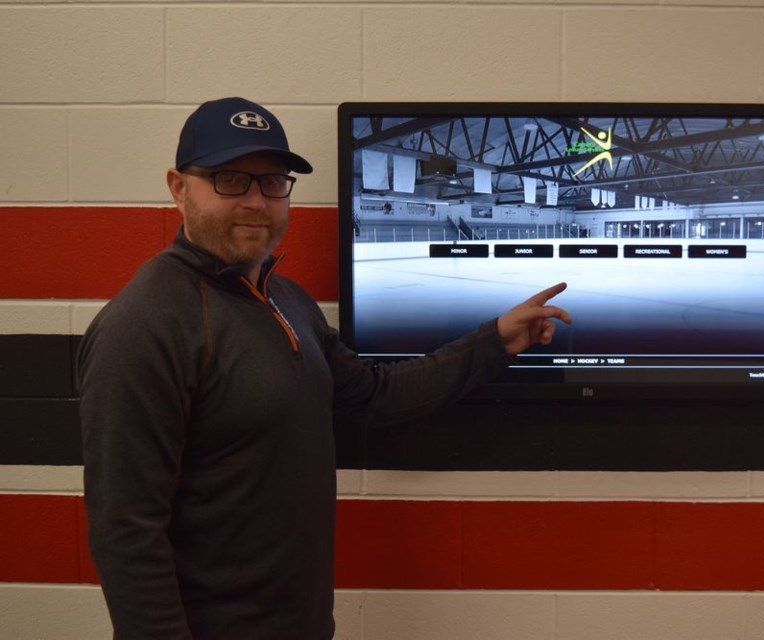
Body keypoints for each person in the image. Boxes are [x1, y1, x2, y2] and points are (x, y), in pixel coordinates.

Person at [77, 96, 571, 640]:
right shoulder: (144, 326)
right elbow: (127, 533)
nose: (256, 201)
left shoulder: (286, 300)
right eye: (230, 180)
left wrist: (493, 342)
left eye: (272, 182)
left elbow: (374, 394)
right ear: (178, 187)